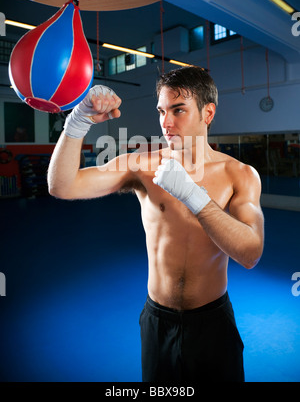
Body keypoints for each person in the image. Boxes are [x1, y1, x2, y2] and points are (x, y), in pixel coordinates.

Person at [47, 66, 264, 383]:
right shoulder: (143, 164)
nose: (166, 122)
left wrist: (192, 195)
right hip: (157, 320)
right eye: (162, 111)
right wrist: (77, 122)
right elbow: (62, 186)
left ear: (208, 113)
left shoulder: (240, 175)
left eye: (178, 110)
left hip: (212, 320)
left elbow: (250, 252)